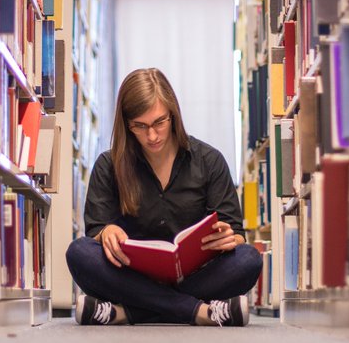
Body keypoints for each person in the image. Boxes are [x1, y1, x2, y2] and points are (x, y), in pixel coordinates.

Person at [66, 68, 263, 326]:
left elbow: (237, 233)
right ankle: (200, 312)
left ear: (173, 115)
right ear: (127, 124)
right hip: (130, 276)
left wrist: (230, 238)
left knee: (249, 259)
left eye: (159, 122)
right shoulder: (108, 165)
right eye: (140, 126)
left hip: (195, 276)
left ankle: (126, 312)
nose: (152, 135)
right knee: (79, 253)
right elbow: (95, 230)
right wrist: (106, 232)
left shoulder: (209, 161)